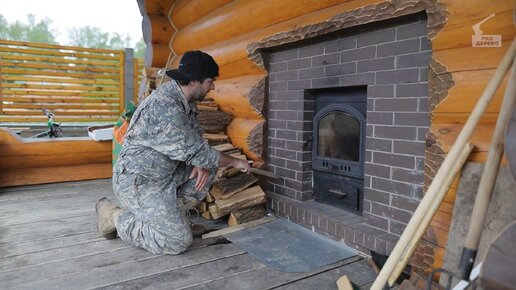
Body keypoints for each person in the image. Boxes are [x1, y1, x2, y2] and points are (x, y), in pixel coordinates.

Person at [95, 50, 251, 255]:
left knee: (208, 166)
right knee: (177, 241)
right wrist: (236, 162)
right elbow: (197, 150)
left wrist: (200, 162)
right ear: (195, 81)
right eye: (209, 81)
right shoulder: (166, 107)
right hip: (139, 182)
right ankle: (115, 216)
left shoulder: (184, 100)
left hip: (164, 175)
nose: (212, 86)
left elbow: (194, 142)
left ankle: (171, 218)